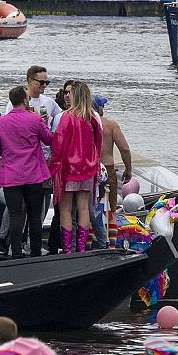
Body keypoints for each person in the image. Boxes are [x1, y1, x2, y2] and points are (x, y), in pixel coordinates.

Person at [0, 85, 54, 258]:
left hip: (11, 175)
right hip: (34, 174)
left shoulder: (0, 122)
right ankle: (34, 252)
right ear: (25, 101)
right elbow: (48, 140)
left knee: (16, 215)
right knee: (34, 216)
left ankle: (15, 253)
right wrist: (45, 123)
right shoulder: (35, 119)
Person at [48, 80, 102, 252]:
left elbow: (59, 144)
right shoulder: (92, 118)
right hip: (87, 169)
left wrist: (53, 169)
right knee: (84, 208)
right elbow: (97, 144)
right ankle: (81, 248)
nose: (67, 96)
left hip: (68, 169)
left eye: (69, 93)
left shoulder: (67, 117)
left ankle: (67, 250)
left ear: (75, 95)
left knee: (65, 211)